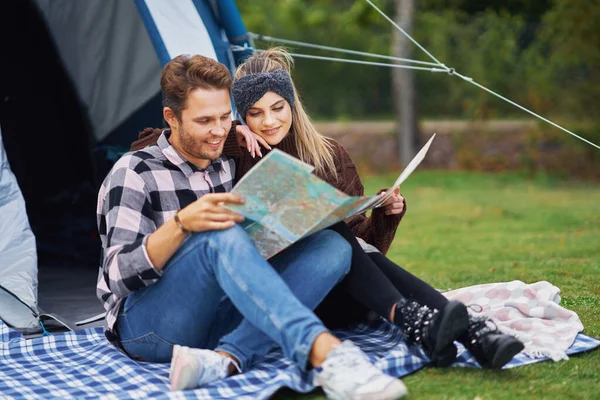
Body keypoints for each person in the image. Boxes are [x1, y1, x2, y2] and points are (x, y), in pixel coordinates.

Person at [97, 54, 409, 400]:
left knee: (331, 246)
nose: (218, 131)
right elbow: (117, 275)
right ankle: (328, 354)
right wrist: (183, 225)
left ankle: (228, 359)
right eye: (204, 121)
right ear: (171, 117)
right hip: (150, 329)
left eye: (224, 118)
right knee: (219, 231)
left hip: (221, 317)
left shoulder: (226, 164)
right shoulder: (134, 173)